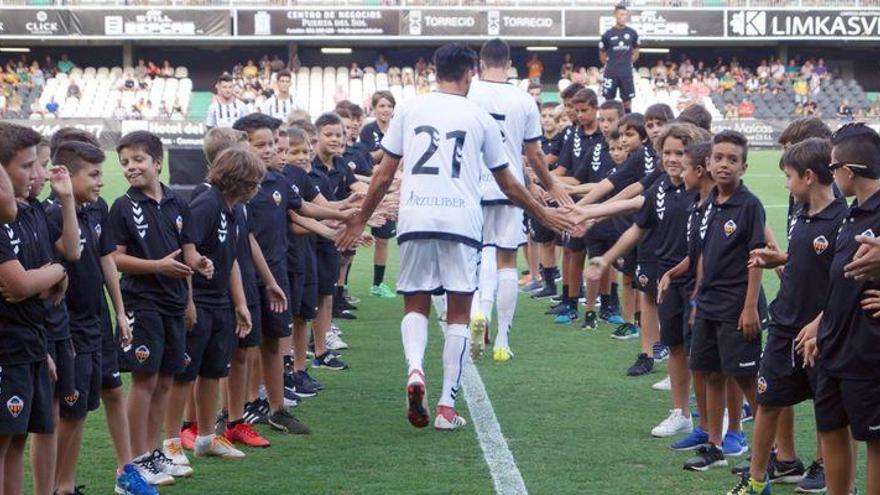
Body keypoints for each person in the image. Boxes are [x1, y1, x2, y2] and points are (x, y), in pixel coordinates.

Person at [336, 43, 572, 430]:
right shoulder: (478, 116)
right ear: (469, 75)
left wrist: (361, 219)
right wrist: (543, 211)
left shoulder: (410, 108)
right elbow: (509, 183)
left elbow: (382, 174)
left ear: (434, 72)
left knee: (415, 303)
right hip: (461, 221)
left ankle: (415, 371)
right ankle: (447, 406)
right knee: (460, 312)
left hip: (415, 216)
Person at [726, 138, 844, 495]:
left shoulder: (843, 220)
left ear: (808, 176)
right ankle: (758, 481)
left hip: (823, 333)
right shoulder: (798, 210)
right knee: (768, 400)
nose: (785, 184)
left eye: (789, 176)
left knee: (832, 417)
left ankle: (839, 483)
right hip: (783, 325)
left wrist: (821, 321)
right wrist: (781, 259)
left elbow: (844, 281)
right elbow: (804, 258)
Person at [108, 131, 206, 485]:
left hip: (175, 303)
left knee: (166, 381)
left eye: (138, 160)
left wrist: (197, 277)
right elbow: (115, 259)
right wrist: (157, 267)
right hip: (142, 302)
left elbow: (188, 254)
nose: (131, 168)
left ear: (157, 162)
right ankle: (137, 459)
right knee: (145, 381)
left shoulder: (179, 204)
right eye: (125, 163)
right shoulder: (122, 206)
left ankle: (153, 453)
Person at [467, 39, 568, 362]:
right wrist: (548, 185)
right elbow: (534, 153)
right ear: (509, 65)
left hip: (472, 187)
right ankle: (502, 339)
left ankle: (479, 313)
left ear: (481, 64)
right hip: (508, 187)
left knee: (478, 254)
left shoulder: (468, 93)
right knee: (507, 260)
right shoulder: (524, 99)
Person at [800, 123, 880, 495]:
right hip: (834, 342)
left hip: (868, 348)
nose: (831, 175)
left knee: (874, 442)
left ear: (849, 171)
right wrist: (821, 324)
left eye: (833, 168)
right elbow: (842, 279)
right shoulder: (852, 212)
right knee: (831, 428)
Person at [683, 130, 765, 471]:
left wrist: (749, 307)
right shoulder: (706, 205)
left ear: (744, 166)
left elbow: (757, 258)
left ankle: (768, 452)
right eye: (719, 158)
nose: (724, 164)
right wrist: (697, 298)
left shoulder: (749, 206)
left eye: (733, 159)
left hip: (737, 306)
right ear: (708, 163)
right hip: (709, 304)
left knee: (746, 380)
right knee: (711, 374)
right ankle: (714, 445)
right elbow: (703, 255)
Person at [0, 123, 70, 495]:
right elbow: (20, 286)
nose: (36, 174)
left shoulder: (28, 216)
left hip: (28, 344)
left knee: (14, 441)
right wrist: (56, 272)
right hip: (7, 349)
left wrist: (40, 349)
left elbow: (36, 289)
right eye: (27, 166)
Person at [599, 4, 639, 112]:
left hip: (626, 73)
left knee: (627, 102)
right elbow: (602, 55)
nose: (623, 17)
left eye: (625, 15)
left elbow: (636, 52)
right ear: (615, 16)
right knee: (608, 101)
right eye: (621, 14)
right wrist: (610, 65)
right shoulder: (607, 35)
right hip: (611, 72)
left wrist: (627, 63)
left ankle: (627, 124)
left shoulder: (632, 33)